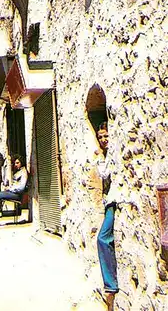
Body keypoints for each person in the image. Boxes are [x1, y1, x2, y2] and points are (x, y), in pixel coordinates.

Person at [95, 122, 119, 311]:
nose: (103, 140)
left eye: (106, 136)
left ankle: (110, 286)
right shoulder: (107, 154)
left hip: (114, 201)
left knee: (103, 239)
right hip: (109, 202)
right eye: (100, 137)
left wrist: (98, 160)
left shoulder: (109, 155)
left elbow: (104, 173)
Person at [0, 154, 28, 228]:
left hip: (16, 194)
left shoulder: (23, 172)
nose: (16, 165)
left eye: (18, 163)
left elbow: (21, 187)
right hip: (12, 192)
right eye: (15, 163)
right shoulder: (18, 172)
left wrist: (10, 189)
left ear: (22, 162)